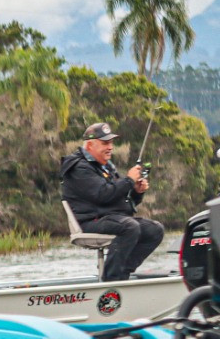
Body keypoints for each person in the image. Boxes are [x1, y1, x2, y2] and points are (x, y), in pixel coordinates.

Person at [60, 121, 165, 282]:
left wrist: (137, 192)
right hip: (90, 221)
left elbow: (122, 199)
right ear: (90, 145)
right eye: (105, 143)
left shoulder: (106, 167)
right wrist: (129, 180)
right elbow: (103, 195)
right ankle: (112, 279)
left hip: (110, 218)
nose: (110, 147)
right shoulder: (79, 168)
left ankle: (123, 272)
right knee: (130, 227)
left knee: (155, 230)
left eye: (111, 143)